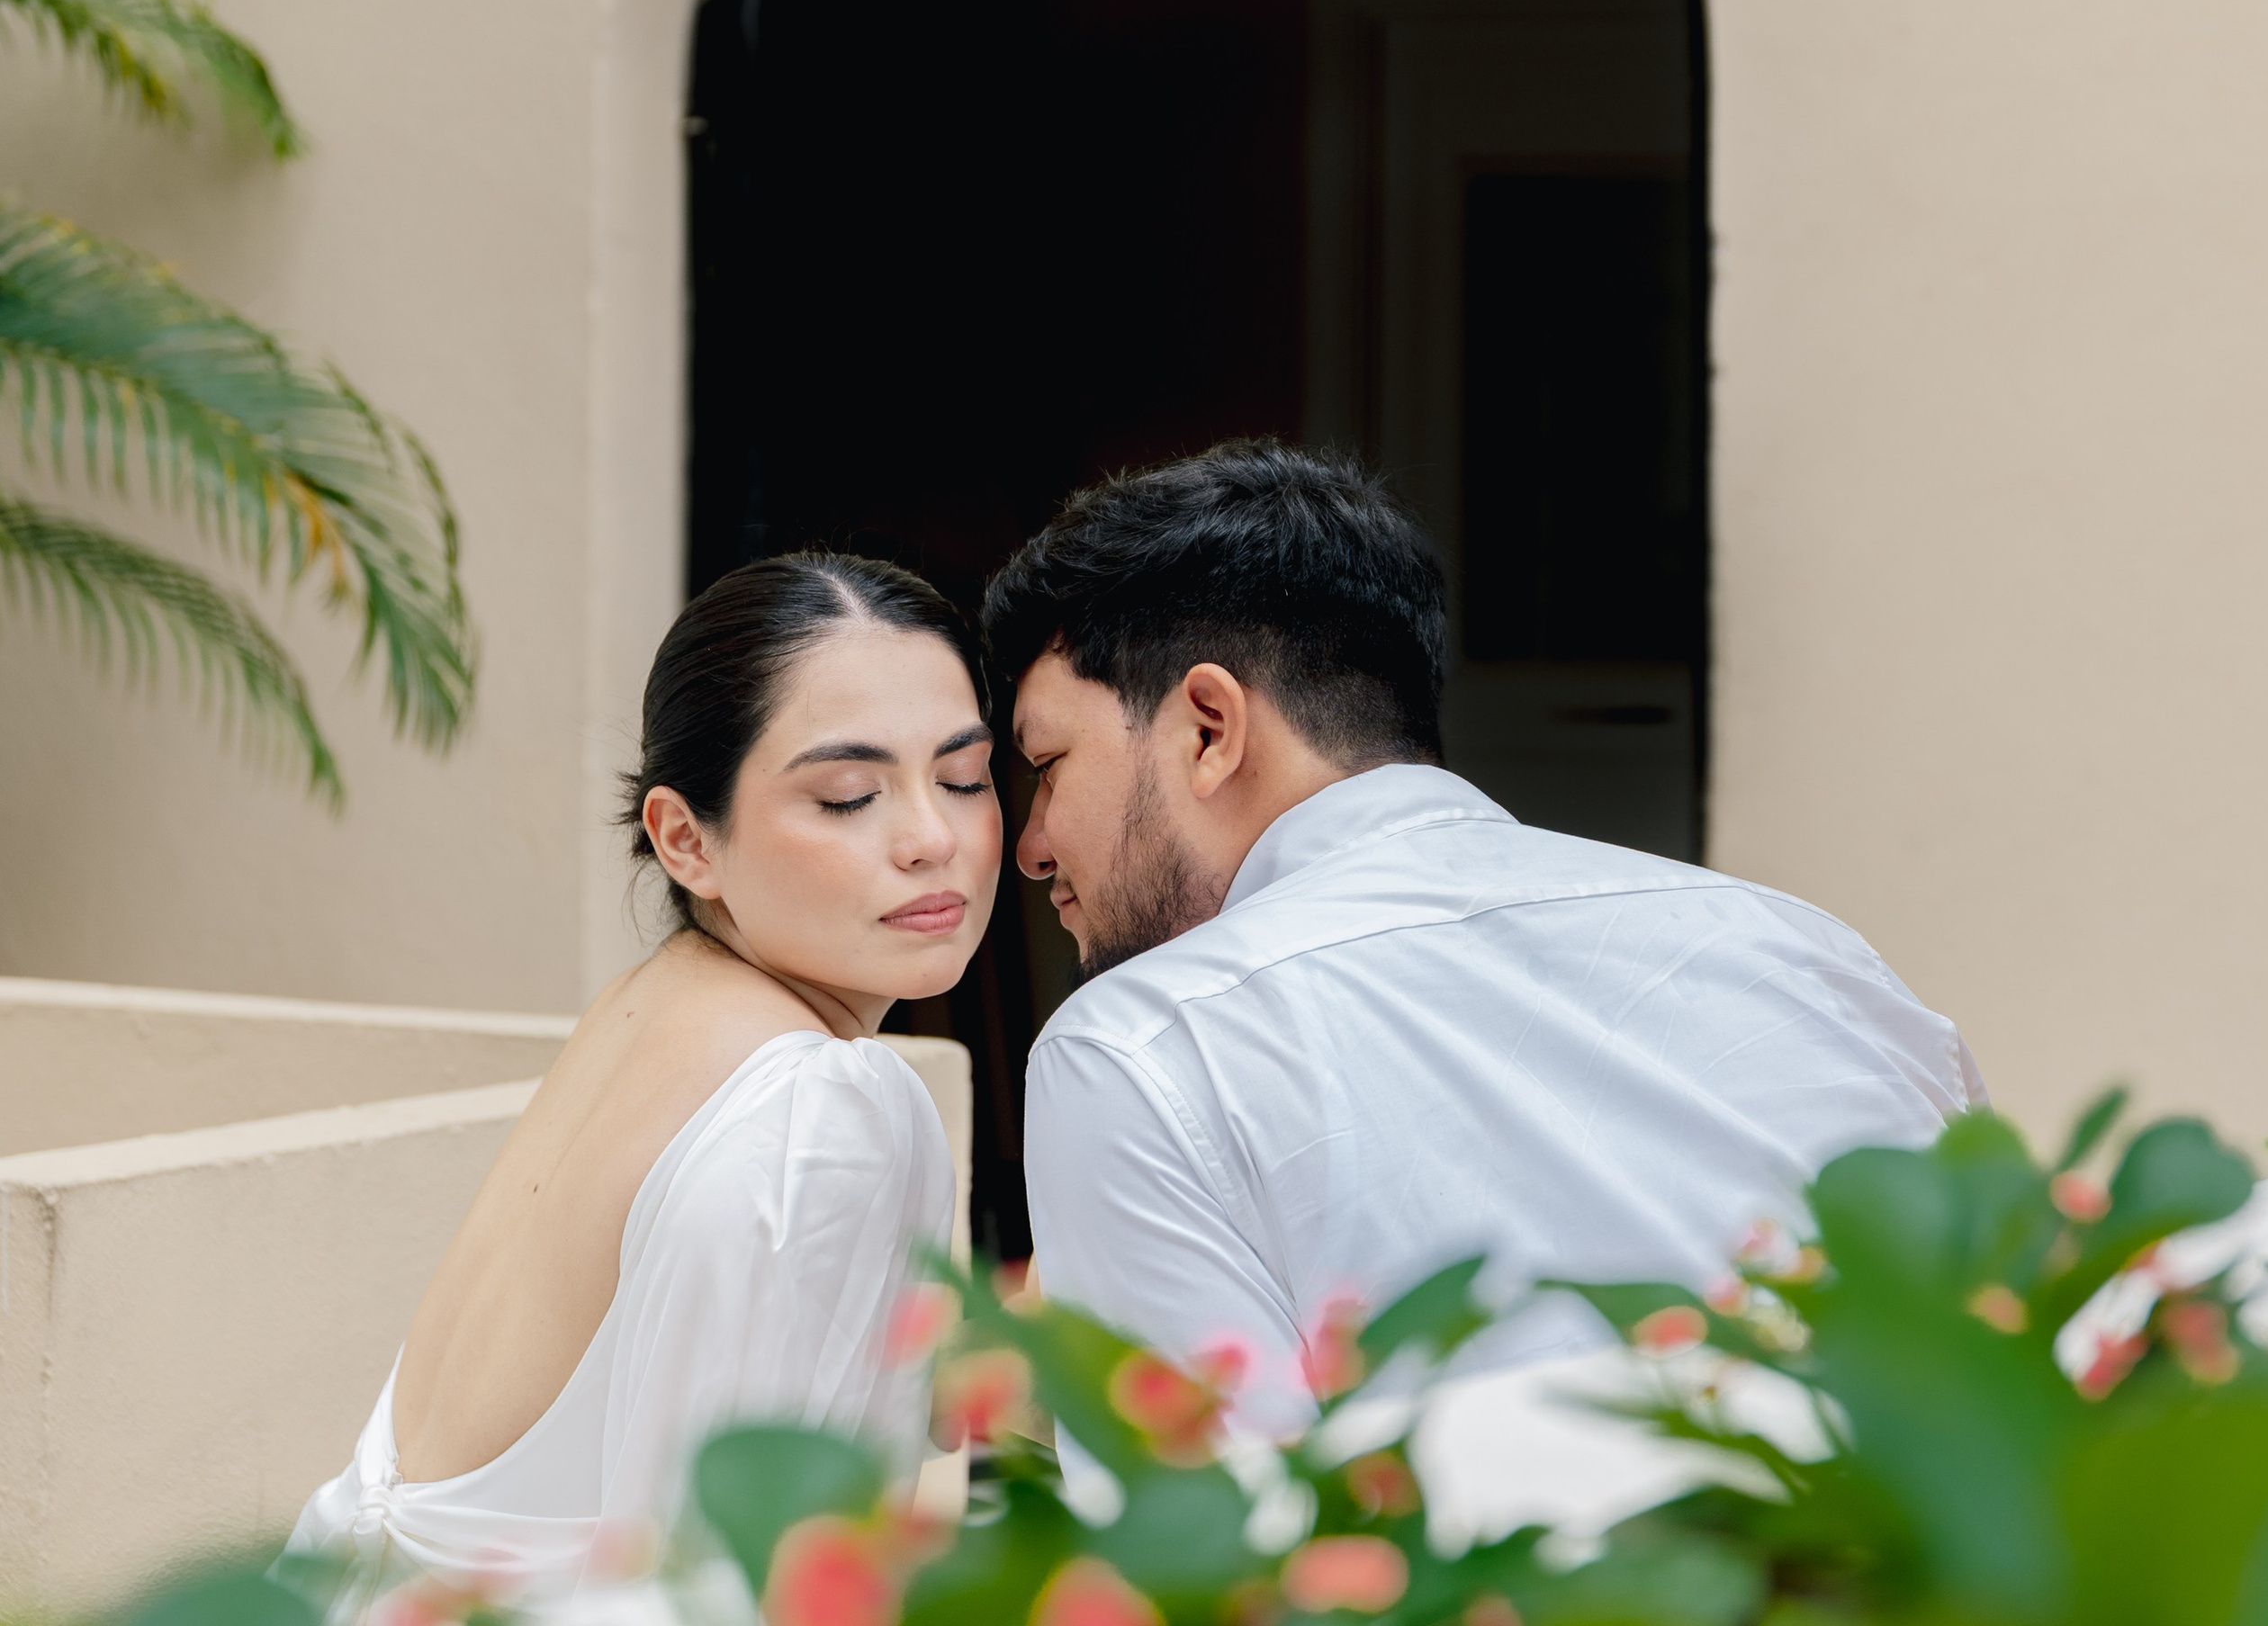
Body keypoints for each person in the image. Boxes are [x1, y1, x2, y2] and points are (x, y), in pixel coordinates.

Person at [984, 441, 1984, 1434]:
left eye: (1048, 763)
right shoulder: (1804, 951)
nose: (1030, 845)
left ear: (1208, 728)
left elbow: (1206, 1553)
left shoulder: (1138, 1046)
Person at [288, 554, 1000, 1598]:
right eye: (849, 796)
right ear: (684, 839)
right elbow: (727, 1582)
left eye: (963, 777)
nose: (932, 838)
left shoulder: (638, 1011)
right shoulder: (823, 1104)